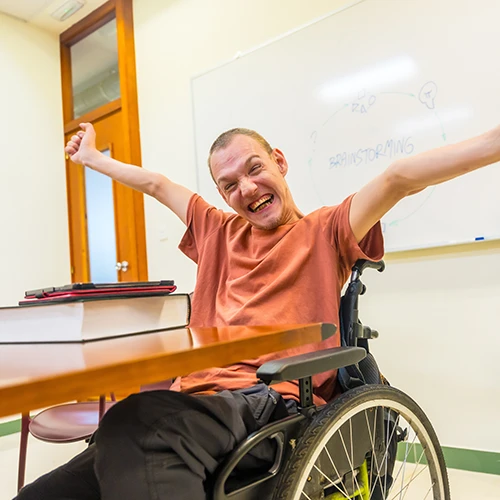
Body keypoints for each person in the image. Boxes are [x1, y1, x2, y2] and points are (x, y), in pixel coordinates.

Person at [16, 122, 500, 499]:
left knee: (137, 424)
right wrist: (94, 158)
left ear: (280, 162)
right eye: (228, 185)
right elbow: (157, 184)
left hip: (266, 402)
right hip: (193, 399)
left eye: (254, 169)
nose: (245, 189)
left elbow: (398, 178)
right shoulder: (216, 231)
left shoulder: (326, 230)